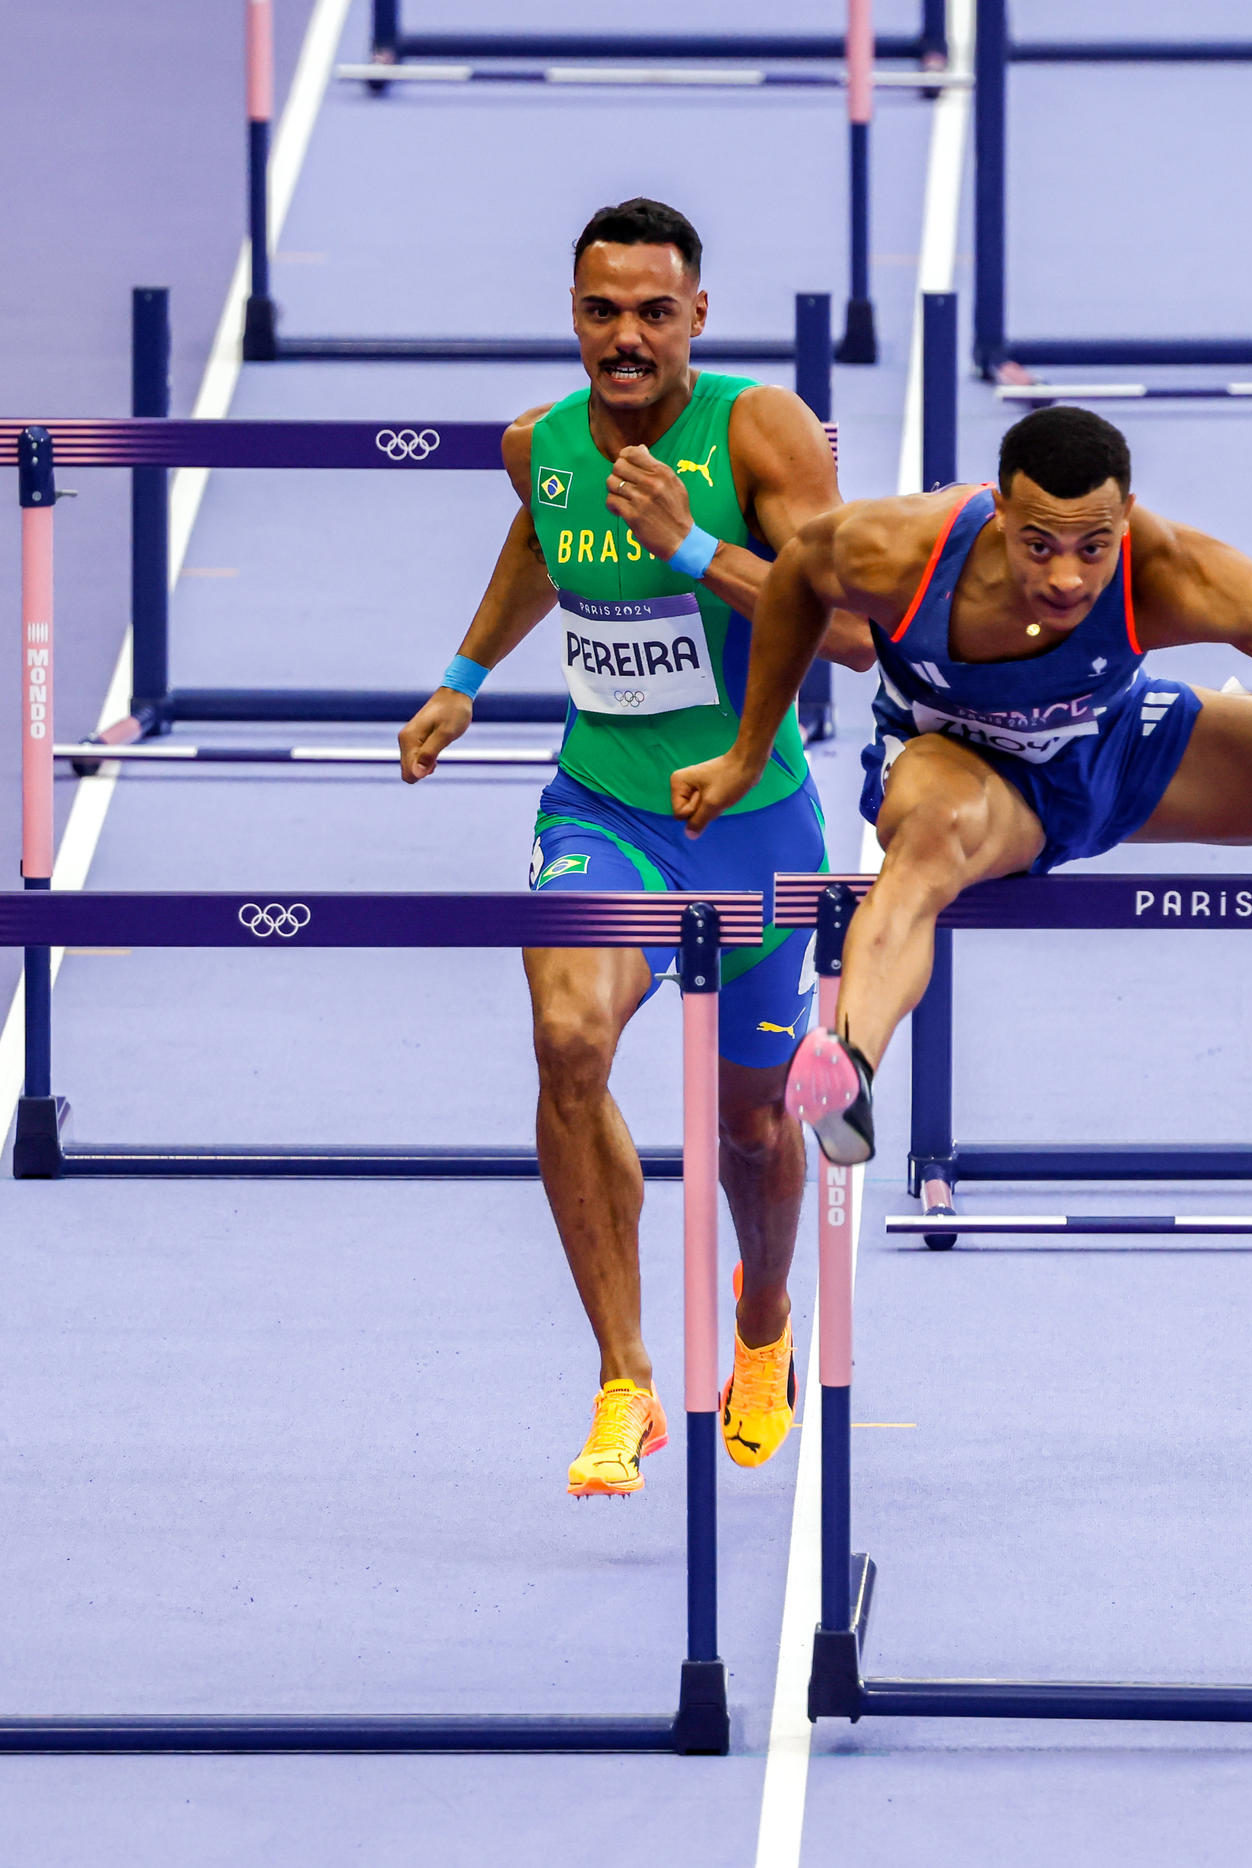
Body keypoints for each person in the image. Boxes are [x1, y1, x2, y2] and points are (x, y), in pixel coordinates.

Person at [665, 405, 1252, 1168]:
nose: (1067, 576)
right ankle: (849, 1066)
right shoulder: (897, 550)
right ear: (998, 511)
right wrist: (750, 750)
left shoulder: (1172, 573)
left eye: (1093, 546)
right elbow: (795, 578)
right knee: (923, 850)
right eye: (1038, 542)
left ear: (1124, 521)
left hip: (1127, 746)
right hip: (972, 775)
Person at [398, 198, 875, 1494]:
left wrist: (695, 547)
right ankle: (625, 1378)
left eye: (654, 313)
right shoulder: (540, 446)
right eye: (602, 311)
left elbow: (851, 633)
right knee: (567, 1044)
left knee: (759, 1127)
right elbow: (542, 548)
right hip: (603, 816)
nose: (626, 336)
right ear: (573, 313)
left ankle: (762, 1326)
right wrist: (464, 674)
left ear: (697, 319)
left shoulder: (759, 432)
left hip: (755, 826)